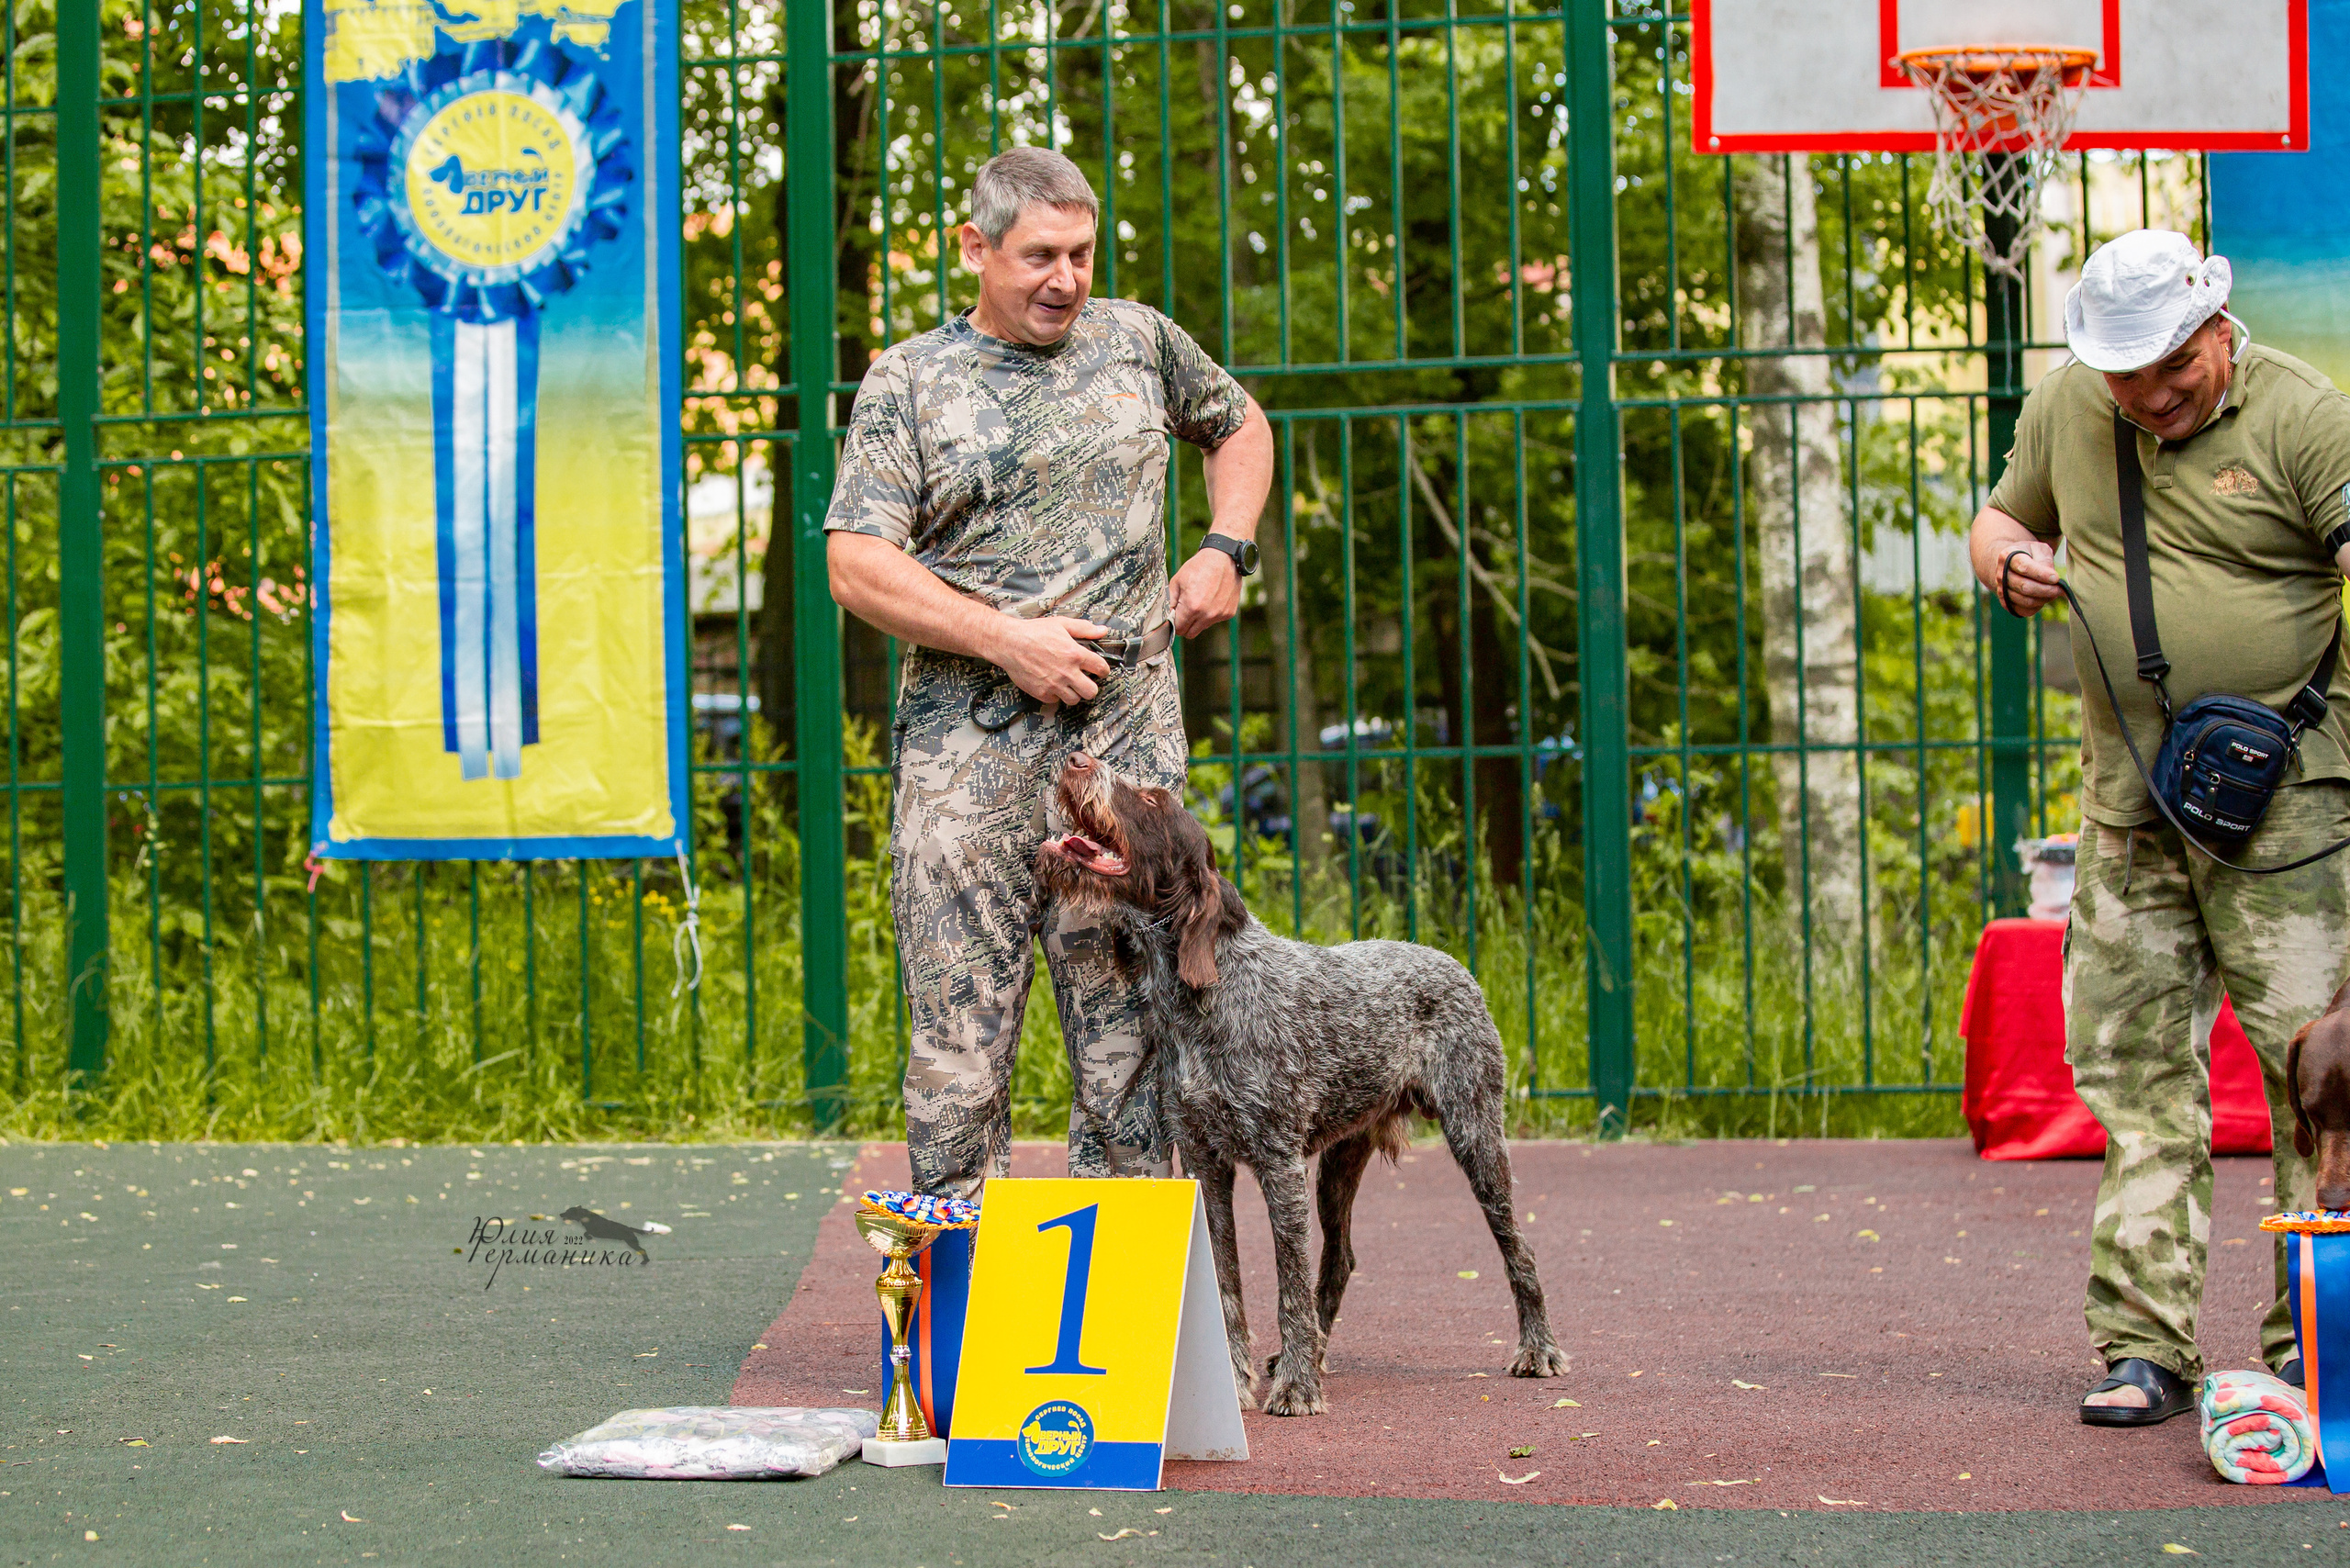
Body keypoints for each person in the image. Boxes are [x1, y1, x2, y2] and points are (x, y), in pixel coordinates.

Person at [824, 146, 1274, 1199]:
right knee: (959, 1047)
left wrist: (1226, 546)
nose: (1065, 279)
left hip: (1124, 751)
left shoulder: (1139, 340)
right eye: (1039, 256)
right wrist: (1003, 638)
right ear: (974, 247)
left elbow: (1240, 425)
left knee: (1133, 1049)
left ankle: (1116, 1294)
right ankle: (952, 1284)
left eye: (1080, 253)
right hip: (964, 754)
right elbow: (855, 562)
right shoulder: (910, 379)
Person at [1972, 229, 2350, 1426]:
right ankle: (2143, 1347)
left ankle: (2319, 1344)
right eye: (2124, 374)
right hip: (2129, 801)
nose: (2148, 393)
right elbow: (1996, 520)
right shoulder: (2069, 405)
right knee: (2133, 1075)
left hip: (2291, 802)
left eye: (2172, 366)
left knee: (2318, 1078)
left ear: (2216, 328)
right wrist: (2011, 561)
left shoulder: (2304, 413)